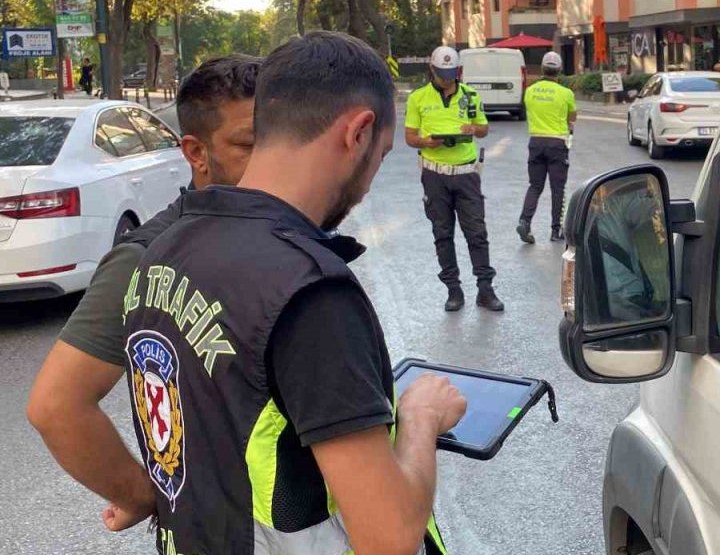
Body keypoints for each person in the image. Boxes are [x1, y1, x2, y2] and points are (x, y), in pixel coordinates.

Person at [119, 31, 465, 555]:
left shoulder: (164, 249)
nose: (372, 177)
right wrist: (420, 416)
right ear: (358, 132)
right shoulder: (308, 291)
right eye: (381, 155)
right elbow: (388, 536)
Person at [26, 55, 260, 534]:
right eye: (249, 146)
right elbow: (56, 406)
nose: (273, 164)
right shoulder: (147, 256)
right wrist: (141, 496)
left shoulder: (278, 231)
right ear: (196, 154)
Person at [405, 45, 504, 312]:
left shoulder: (470, 96)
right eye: (441, 74)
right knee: (442, 233)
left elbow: (483, 129)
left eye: (451, 73)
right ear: (432, 70)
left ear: (457, 71)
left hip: (466, 174)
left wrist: (473, 128)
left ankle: (485, 289)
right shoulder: (418, 98)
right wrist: (428, 142)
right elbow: (410, 137)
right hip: (434, 175)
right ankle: (453, 290)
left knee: (477, 233)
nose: (446, 79)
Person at [517, 51, 576, 244]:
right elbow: (572, 118)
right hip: (557, 143)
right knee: (558, 189)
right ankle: (555, 230)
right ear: (559, 70)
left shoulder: (530, 91)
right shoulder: (566, 93)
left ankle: (524, 221)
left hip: (536, 143)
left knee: (535, 186)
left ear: (542, 69)